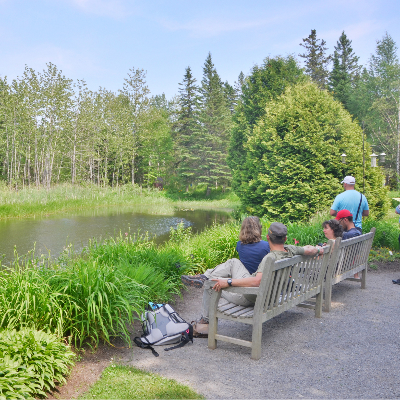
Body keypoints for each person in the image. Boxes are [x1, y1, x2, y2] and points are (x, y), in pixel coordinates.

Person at [182, 222, 323, 337]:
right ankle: (204, 276)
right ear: (285, 239)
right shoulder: (290, 250)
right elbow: (308, 249)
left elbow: (257, 281)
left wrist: (229, 282)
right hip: (272, 296)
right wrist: (319, 250)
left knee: (210, 285)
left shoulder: (270, 258)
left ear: (267, 237)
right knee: (233, 263)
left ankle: (205, 325)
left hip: (251, 297)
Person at [181, 216, 270, 288]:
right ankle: (204, 277)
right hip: (258, 283)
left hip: (247, 282)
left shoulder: (240, 245)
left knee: (232, 262)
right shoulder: (266, 246)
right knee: (232, 263)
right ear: (259, 229)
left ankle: (205, 277)